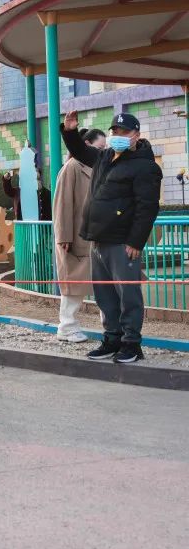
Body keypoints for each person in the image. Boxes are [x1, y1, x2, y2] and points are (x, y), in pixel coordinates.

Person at [61, 111, 162, 363]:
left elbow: (147, 208)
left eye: (123, 131)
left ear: (136, 135)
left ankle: (131, 344)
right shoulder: (106, 156)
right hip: (98, 239)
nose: (117, 135)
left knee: (128, 296)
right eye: (114, 131)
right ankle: (112, 338)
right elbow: (81, 152)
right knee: (105, 295)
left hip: (122, 242)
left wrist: (136, 242)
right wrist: (71, 131)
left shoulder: (145, 166)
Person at [52, 128, 101, 344]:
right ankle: (67, 326)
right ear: (86, 144)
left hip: (95, 236)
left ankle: (110, 325)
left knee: (104, 284)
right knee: (73, 285)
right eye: (100, 147)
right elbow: (62, 204)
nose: (104, 151)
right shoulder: (71, 167)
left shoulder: (99, 167)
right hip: (75, 237)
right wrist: (64, 236)